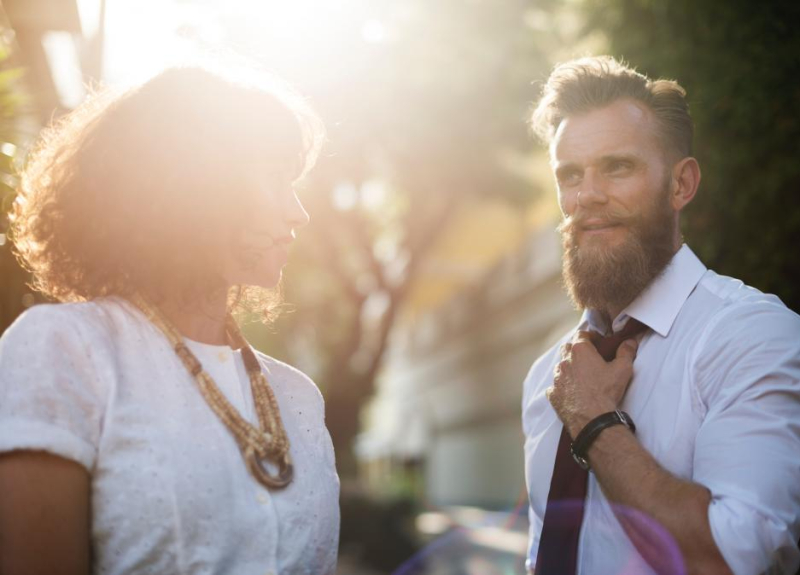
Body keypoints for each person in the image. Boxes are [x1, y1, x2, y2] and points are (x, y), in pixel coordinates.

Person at [0, 64, 340, 575]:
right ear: (190, 184)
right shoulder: (66, 350)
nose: (299, 214)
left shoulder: (299, 398)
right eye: (273, 177)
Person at [522, 55, 800, 575]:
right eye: (571, 174)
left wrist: (593, 422)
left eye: (618, 167)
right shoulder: (545, 379)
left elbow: (729, 559)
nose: (588, 196)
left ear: (681, 185)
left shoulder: (755, 337)